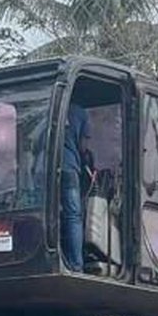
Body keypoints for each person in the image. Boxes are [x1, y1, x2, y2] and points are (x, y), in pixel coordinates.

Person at [62, 102, 93, 272]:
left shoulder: (45, 104)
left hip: (42, 170)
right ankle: (75, 265)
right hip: (69, 168)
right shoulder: (80, 112)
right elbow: (83, 147)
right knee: (73, 216)